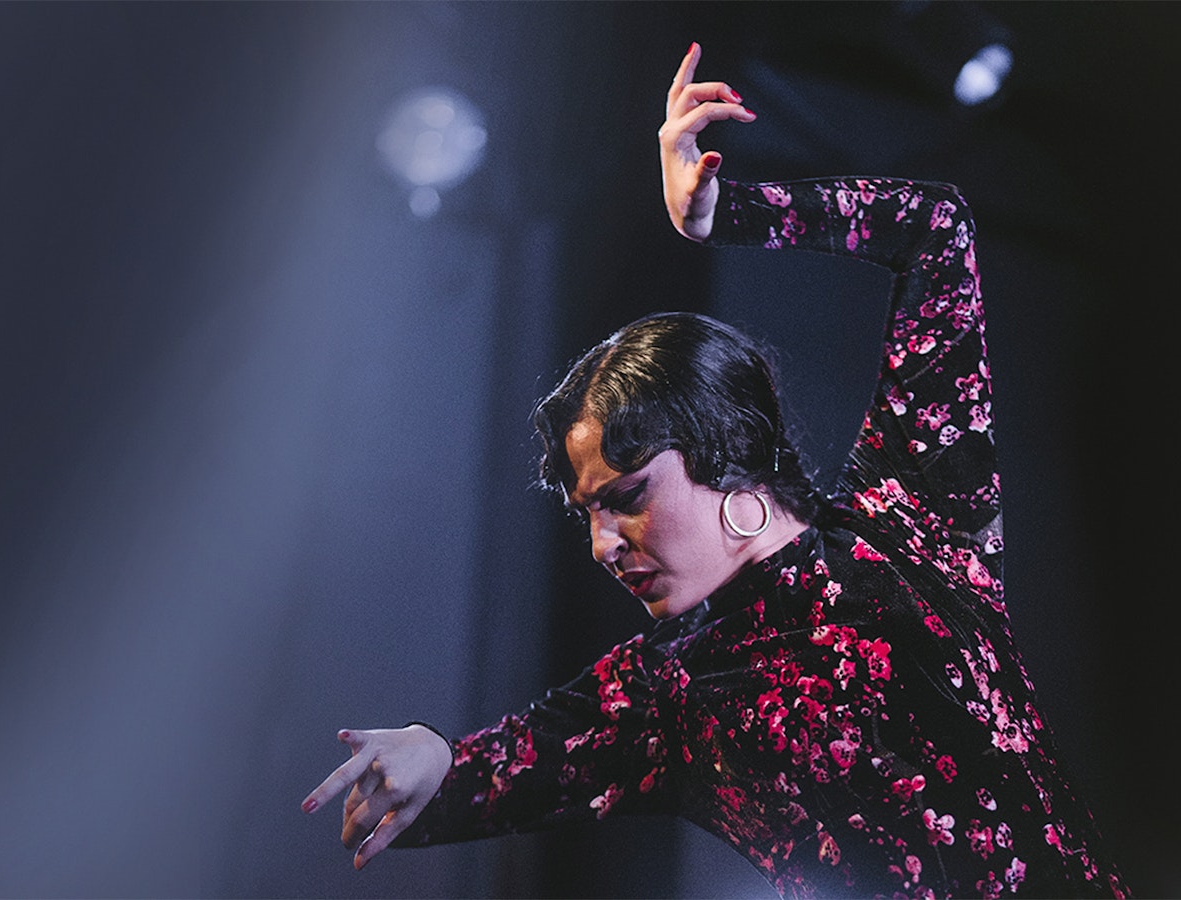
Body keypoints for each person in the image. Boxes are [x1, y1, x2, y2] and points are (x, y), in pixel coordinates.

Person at [304, 43, 1127, 898]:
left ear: (722, 449)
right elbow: (494, 770)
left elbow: (935, 228)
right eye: (587, 512)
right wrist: (435, 754)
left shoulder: (915, 515)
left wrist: (727, 214)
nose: (602, 545)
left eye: (624, 498)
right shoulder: (667, 694)